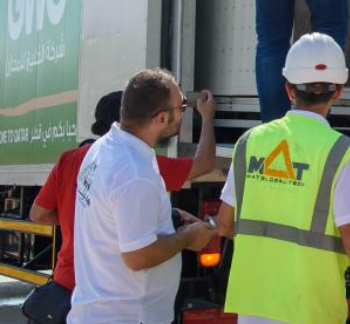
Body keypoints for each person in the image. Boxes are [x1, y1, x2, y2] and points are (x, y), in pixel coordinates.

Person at [216, 33, 350, 324]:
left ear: (287, 88)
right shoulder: (339, 150)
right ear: (338, 92)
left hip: (258, 308)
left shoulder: (249, 143)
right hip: (313, 313)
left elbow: (225, 225)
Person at [67, 70, 217, 324]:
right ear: (161, 118)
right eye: (182, 106)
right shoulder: (134, 173)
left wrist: (169, 217)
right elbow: (138, 256)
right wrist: (187, 237)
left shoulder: (104, 149)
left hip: (102, 320)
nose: (183, 111)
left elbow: (114, 215)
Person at [30, 89, 219, 291]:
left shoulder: (69, 160)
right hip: (110, 293)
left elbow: (38, 214)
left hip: (67, 282)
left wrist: (90, 217)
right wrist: (207, 117)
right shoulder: (139, 164)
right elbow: (205, 163)